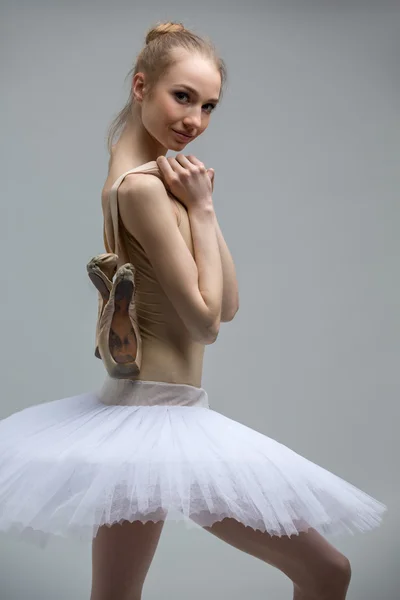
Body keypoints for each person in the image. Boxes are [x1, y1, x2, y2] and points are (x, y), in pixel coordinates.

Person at [0, 21, 387, 600]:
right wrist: (201, 211)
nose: (195, 120)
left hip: (150, 418)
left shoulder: (144, 178)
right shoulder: (142, 189)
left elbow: (227, 305)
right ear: (140, 86)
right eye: (182, 97)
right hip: (158, 420)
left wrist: (201, 207)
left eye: (208, 106)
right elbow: (206, 324)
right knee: (327, 572)